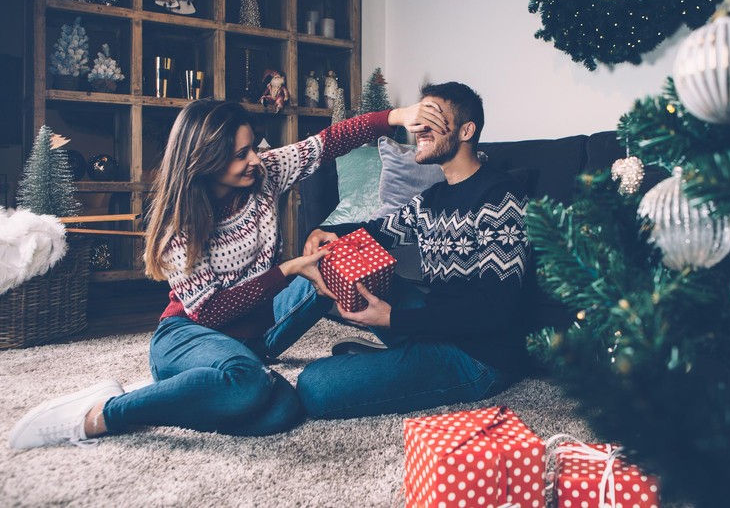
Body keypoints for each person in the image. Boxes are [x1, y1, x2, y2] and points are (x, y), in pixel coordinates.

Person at [9, 98, 448, 449]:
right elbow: (211, 313)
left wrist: (396, 116)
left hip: (257, 335)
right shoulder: (177, 225)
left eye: (254, 146)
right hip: (189, 334)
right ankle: (102, 412)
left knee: (280, 412)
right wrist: (291, 268)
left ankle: (209, 386)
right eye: (241, 154)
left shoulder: (265, 174)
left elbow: (328, 141)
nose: (256, 159)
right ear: (205, 158)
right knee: (248, 384)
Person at [300, 81, 533, 418]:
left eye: (433, 118)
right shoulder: (431, 199)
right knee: (334, 255)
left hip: (479, 356)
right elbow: (376, 233)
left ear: (466, 130)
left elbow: (496, 310)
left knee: (314, 387)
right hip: (435, 323)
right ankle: (259, 351)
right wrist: (325, 231)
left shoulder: (500, 198)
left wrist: (394, 318)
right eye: (419, 118)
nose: (420, 128)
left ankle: (398, 362)